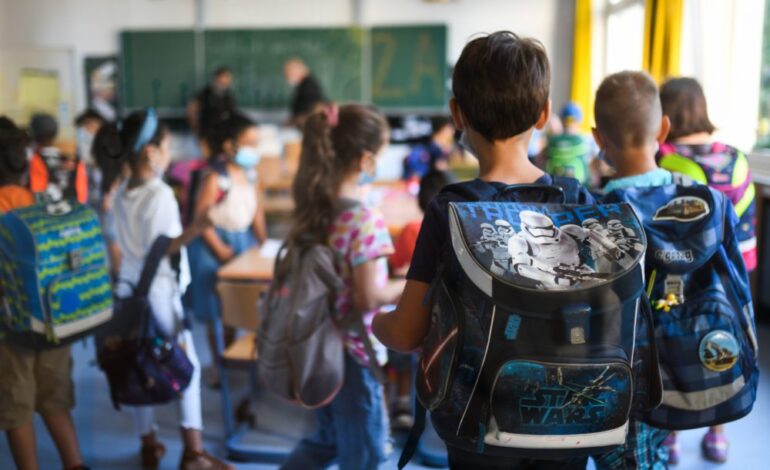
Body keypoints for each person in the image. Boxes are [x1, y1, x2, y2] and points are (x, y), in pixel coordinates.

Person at [372, 31, 594, 469]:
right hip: (568, 414)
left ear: (457, 114)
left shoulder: (450, 210)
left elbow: (407, 333)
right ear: (544, 114)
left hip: (479, 424)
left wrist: (378, 322)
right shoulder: (578, 202)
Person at [93, 109, 233, 470]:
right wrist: (198, 227)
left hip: (128, 291)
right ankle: (193, 453)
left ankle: (149, 443)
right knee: (186, 366)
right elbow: (163, 247)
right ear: (151, 152)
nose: (170, 154)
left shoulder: (123, 190)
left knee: (137, 362)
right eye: (167, 147)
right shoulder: (159, 194)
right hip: (157, 293)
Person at [279, 104, 405, 470]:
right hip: (355, 353)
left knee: (329, 438)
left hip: (317, 348)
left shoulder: (314, 210)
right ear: (366, 160)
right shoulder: (363, 219)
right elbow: (367, 298)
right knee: (364, 454)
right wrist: (405, 285)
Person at [657, 77, 756, 464]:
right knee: (723, 343)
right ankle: (718, 433)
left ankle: (671, 433)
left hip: (678, 273)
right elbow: (745, 226)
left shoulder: (664, 158)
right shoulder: (736, 159)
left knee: (673, 344)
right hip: (731, 274)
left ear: (664, 114)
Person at [588, 71, 674, 470]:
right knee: (654, 452)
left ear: (598, 138)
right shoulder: (690, 197)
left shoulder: (598, 212)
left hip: (624, 367)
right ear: (664, 128)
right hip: (679, 361)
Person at [0, 116, 89, 470]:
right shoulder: (40, 201)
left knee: (16, 403)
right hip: (53, 315)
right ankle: (75, 463)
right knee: (55, 396)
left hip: (9, 325)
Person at [187, 113, 267, 386]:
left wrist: (264, 242)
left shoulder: (251, 175)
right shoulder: (215, 178)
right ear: (229, 145)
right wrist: (220, 249)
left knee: (236, 305)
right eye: (249, 143)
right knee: (216, 310)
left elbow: (257, 214)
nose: (254, 149)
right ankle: (217, 363)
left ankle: (230, 356)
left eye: (256, 143)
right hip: (213, 247)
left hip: (242, 242)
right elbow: (200, 219)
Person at [387, 169, 453, 431]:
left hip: (414, 313)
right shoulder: (457, 231)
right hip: (445, 320)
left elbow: (395, 267)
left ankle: (402, 402)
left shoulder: (410, 230)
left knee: (401, 339)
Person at [28, 113, 88, 204]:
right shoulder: (75, 158)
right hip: (75, 210)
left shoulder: (36, 160)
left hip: (48, 211)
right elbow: (81, 192)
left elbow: (37, 193)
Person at [187, 67, 237, 141]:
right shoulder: (206, 93)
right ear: (218, 77)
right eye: (226, 77)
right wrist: (196, 130)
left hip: (224, 134)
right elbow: (191, 110)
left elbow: (232, 113)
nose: (228, 80)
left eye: (229, 77)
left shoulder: (228, 95)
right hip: (207, 134)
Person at [284, 58, 327, 127]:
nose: (288, 77)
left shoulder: (309, 86)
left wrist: (293, 121)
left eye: (289, 73)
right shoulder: (303, 85)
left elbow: (309, 108)